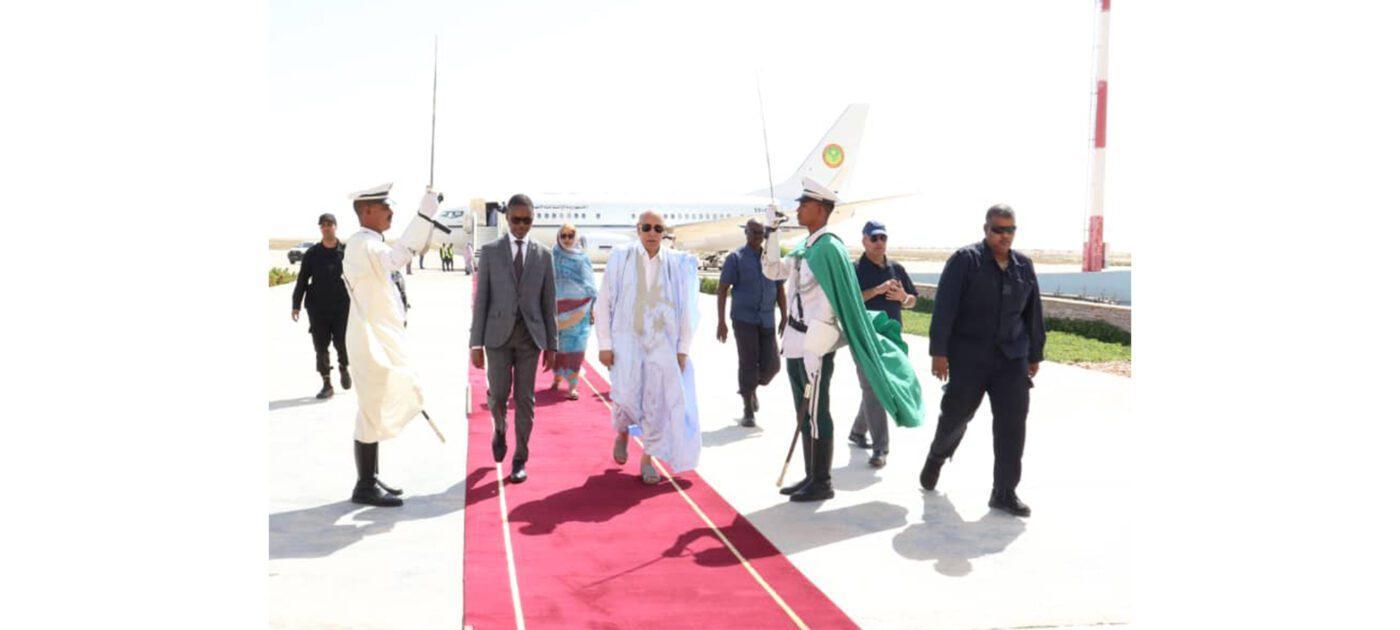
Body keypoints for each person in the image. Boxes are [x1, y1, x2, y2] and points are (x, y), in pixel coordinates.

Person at [761, 178, 924, 502]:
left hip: (816, 341)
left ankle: (822, 481)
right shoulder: (806, 247)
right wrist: (771, 232)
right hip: (795, 338)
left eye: (804, 204)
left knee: (816, 410)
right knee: (803, 411)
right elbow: (773, 271)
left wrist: (822, 337)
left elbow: (839, 299)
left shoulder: (830, 248)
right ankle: (811, 475)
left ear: (821, 210)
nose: (798, 208)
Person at [921, 204, 1045, 518]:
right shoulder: (965, 261)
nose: (1005, 236)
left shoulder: (1023, 266)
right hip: (970, 357)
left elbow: (1033, 313)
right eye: (998, 230)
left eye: (1010, 230)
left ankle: (1004, 492)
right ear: (986, 229)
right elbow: (945, 308)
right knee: (955, 416)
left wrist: (1034, 354)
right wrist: (939, 352)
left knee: (1012, 425)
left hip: (1011, 359)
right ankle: (937, 456)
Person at [342, 182, 444, 507]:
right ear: (367, 211)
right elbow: (398, 258)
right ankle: (364, 485)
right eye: (385, 206)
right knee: (370, 410)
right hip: (369, 341)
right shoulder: (363, 244)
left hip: (375, 338)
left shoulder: (369, 243)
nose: (390, 211)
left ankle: (369, 478)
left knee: (372, 408)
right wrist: (424, 214)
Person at [595, 211, 701, 484]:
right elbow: (604, 301)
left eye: (658, 229)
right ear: (638, 229)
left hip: (662, 344)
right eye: (647, 228)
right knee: (625, 394)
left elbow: (687, 308)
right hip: (626, 342)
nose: (652, 233)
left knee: (657, 403)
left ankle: (647, 458)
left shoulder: (675, 264)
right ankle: (622, 432)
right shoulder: (621, 257)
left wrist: (682, 348)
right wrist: (605, 344)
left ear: (664, 232)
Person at [470, 194, 558, 485]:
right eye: (516, 220)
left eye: (527, 221)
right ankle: (499, 428)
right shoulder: (491, 252)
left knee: (525, 399)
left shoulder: (544, 255)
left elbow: (549, 303)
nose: (521, 226)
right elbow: (481, 300)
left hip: (529, 339)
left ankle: (520, 457)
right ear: (507, 218)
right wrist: (475, 343)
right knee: (497, 396)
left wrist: (553, 345)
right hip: (497, 337)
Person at [849, 220, 919, 468]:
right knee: (873, 386)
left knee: (881, 386)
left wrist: (903, 297)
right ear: (864, 241)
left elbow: (913, 301)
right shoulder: (854, 269)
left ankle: (858, 430)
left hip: (892, 338)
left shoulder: (896, 269)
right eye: (874, 238)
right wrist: (876, 290)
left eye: (883, 238)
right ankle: (880, 448)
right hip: (865, 336)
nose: (879, 242)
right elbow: (849, 300)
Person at [716, 219, 787, 427]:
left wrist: (785, 315)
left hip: (767, 318)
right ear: (746, 233)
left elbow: (780, 288)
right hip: (743, 319)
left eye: (761, 233)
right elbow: (722, 289)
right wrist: (721, 322)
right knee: (748, 362)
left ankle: (751, 387)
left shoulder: (771, 258)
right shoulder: (735, 258)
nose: (757, 237)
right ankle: (748, 407)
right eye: (753, 232)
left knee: (773, 366)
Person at [291, 213, 352, 400]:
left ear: (335, 226)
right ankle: (327, 383)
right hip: (317, 308)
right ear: (320, 228)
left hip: (342, 307)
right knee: (320, 346)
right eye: (323, 225)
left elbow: (358, 277)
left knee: (342, 342)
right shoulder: (312, 254)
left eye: (329, 224)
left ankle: (343, 367)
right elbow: (302, 279)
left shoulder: (346, 251)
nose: (326, 227)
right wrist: (296, 304)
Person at [550, 224, 597, 400]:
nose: (567, 239)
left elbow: (590, 284)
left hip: (580, 311)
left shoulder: (582, 258)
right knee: (559, 348)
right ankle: (557, 377)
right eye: (563, 236)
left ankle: (572, 386)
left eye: (571, 235)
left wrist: (591, 308)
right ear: (558, 237)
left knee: (577, 348)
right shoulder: (553, 256)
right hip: (558, 311)